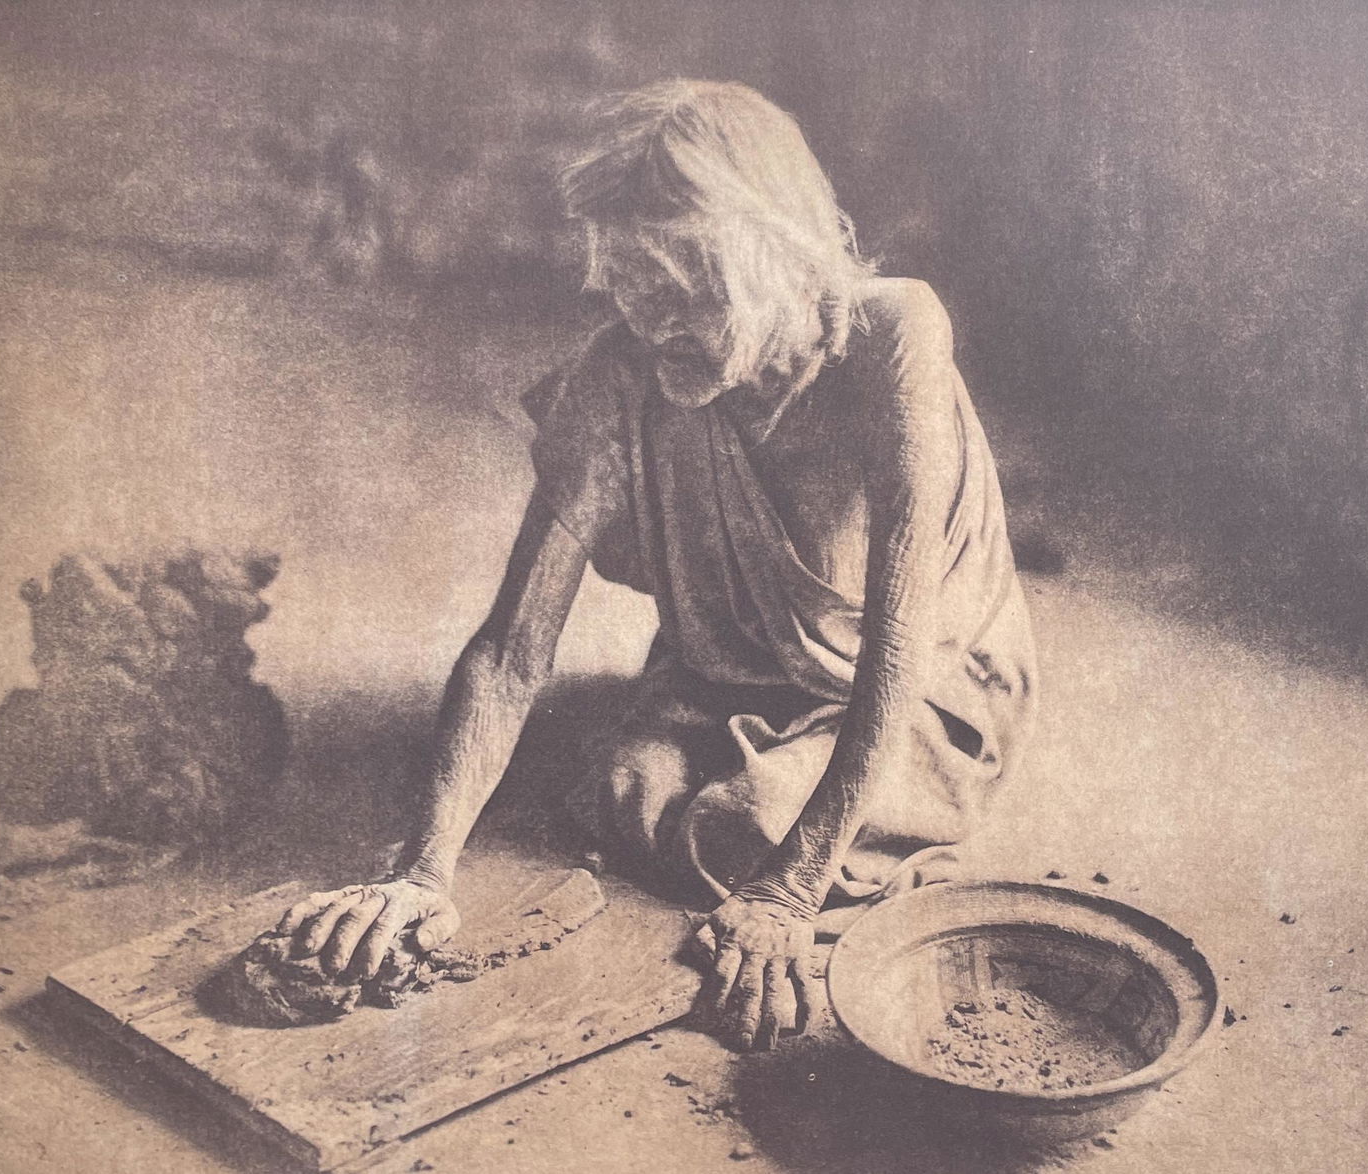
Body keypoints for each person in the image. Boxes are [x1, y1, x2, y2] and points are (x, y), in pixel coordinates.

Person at [275, 79, 1038, 1051]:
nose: (655, 325)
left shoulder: (894, 338)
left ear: (781, 255)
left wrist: (789, 890)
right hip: (721, 677)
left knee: (745, 833)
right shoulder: (620, 374)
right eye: (632, 290)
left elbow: (900, 639)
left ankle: (858, 826)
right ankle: (779, 795)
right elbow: (511, 652)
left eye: (687, 289)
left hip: (918, 682)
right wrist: (420, 871)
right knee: (629, 792)